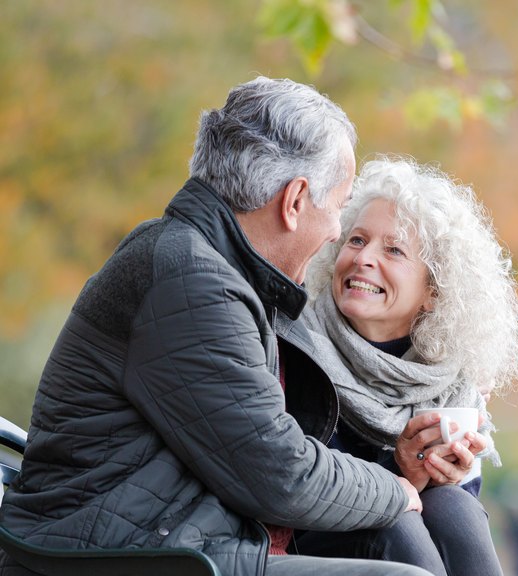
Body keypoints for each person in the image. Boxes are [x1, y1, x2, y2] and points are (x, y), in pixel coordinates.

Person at [0, 78, 432, 576]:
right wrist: (393, 488)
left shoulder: (203, 266)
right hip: (124, 556)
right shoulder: (190, 279)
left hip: (170, 540)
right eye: (337, 206)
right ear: (293, 202)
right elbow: (281, 475)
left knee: (438, 520)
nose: (336, 230)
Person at [297, 157, 518, 575]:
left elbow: (452, 513)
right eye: (356, 240)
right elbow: (302, 487)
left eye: (394, 249)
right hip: (306, 540)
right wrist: (398, 472)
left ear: (433, 293)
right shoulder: (296, 348)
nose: (364, 257)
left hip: (402, 535)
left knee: (455, 506)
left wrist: (449, 473)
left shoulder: (453, 387)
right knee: (395, 524)